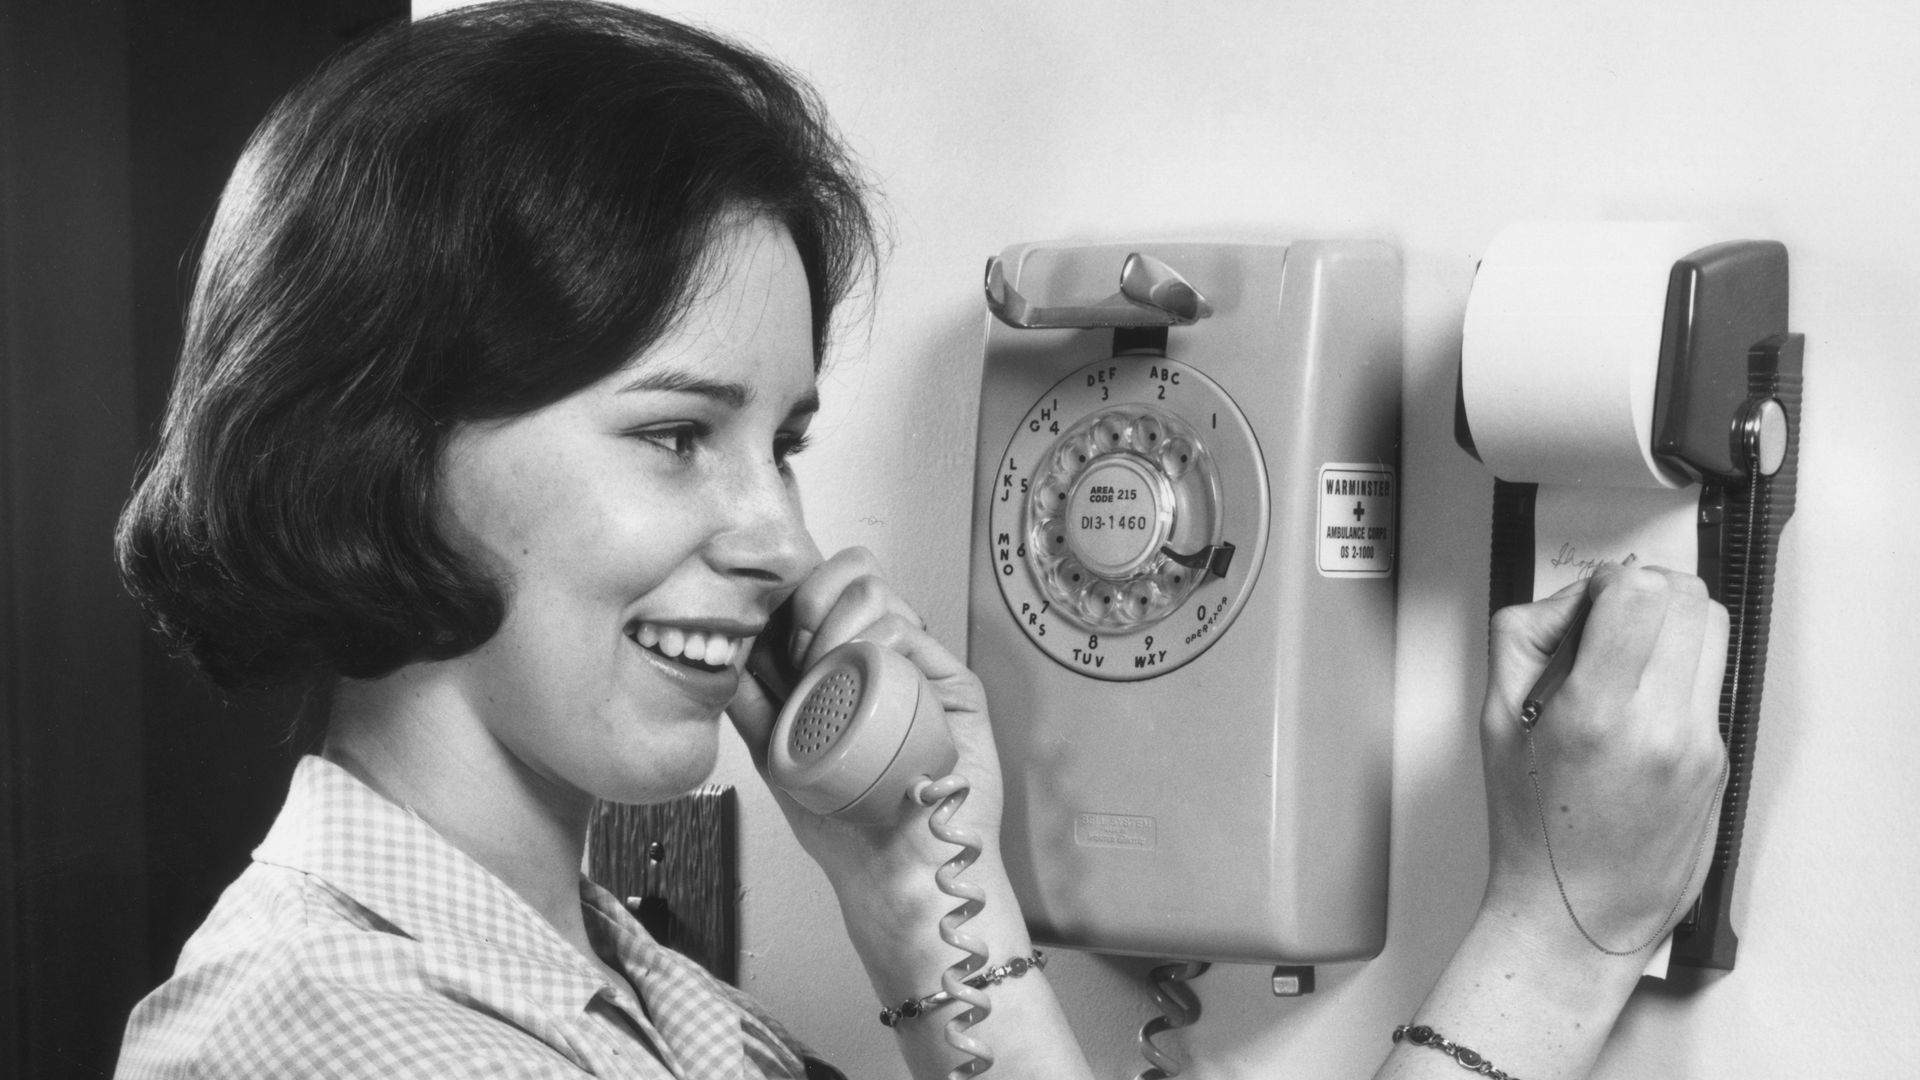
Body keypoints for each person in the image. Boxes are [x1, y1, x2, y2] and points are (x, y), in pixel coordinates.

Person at [113, 3, 1730, 1078]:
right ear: (379, 443)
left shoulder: (617, 994)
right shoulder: (333, 1034)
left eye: (784, 442)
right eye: (678, 436)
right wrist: (1551, 942)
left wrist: (911, 881)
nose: (775, 536)